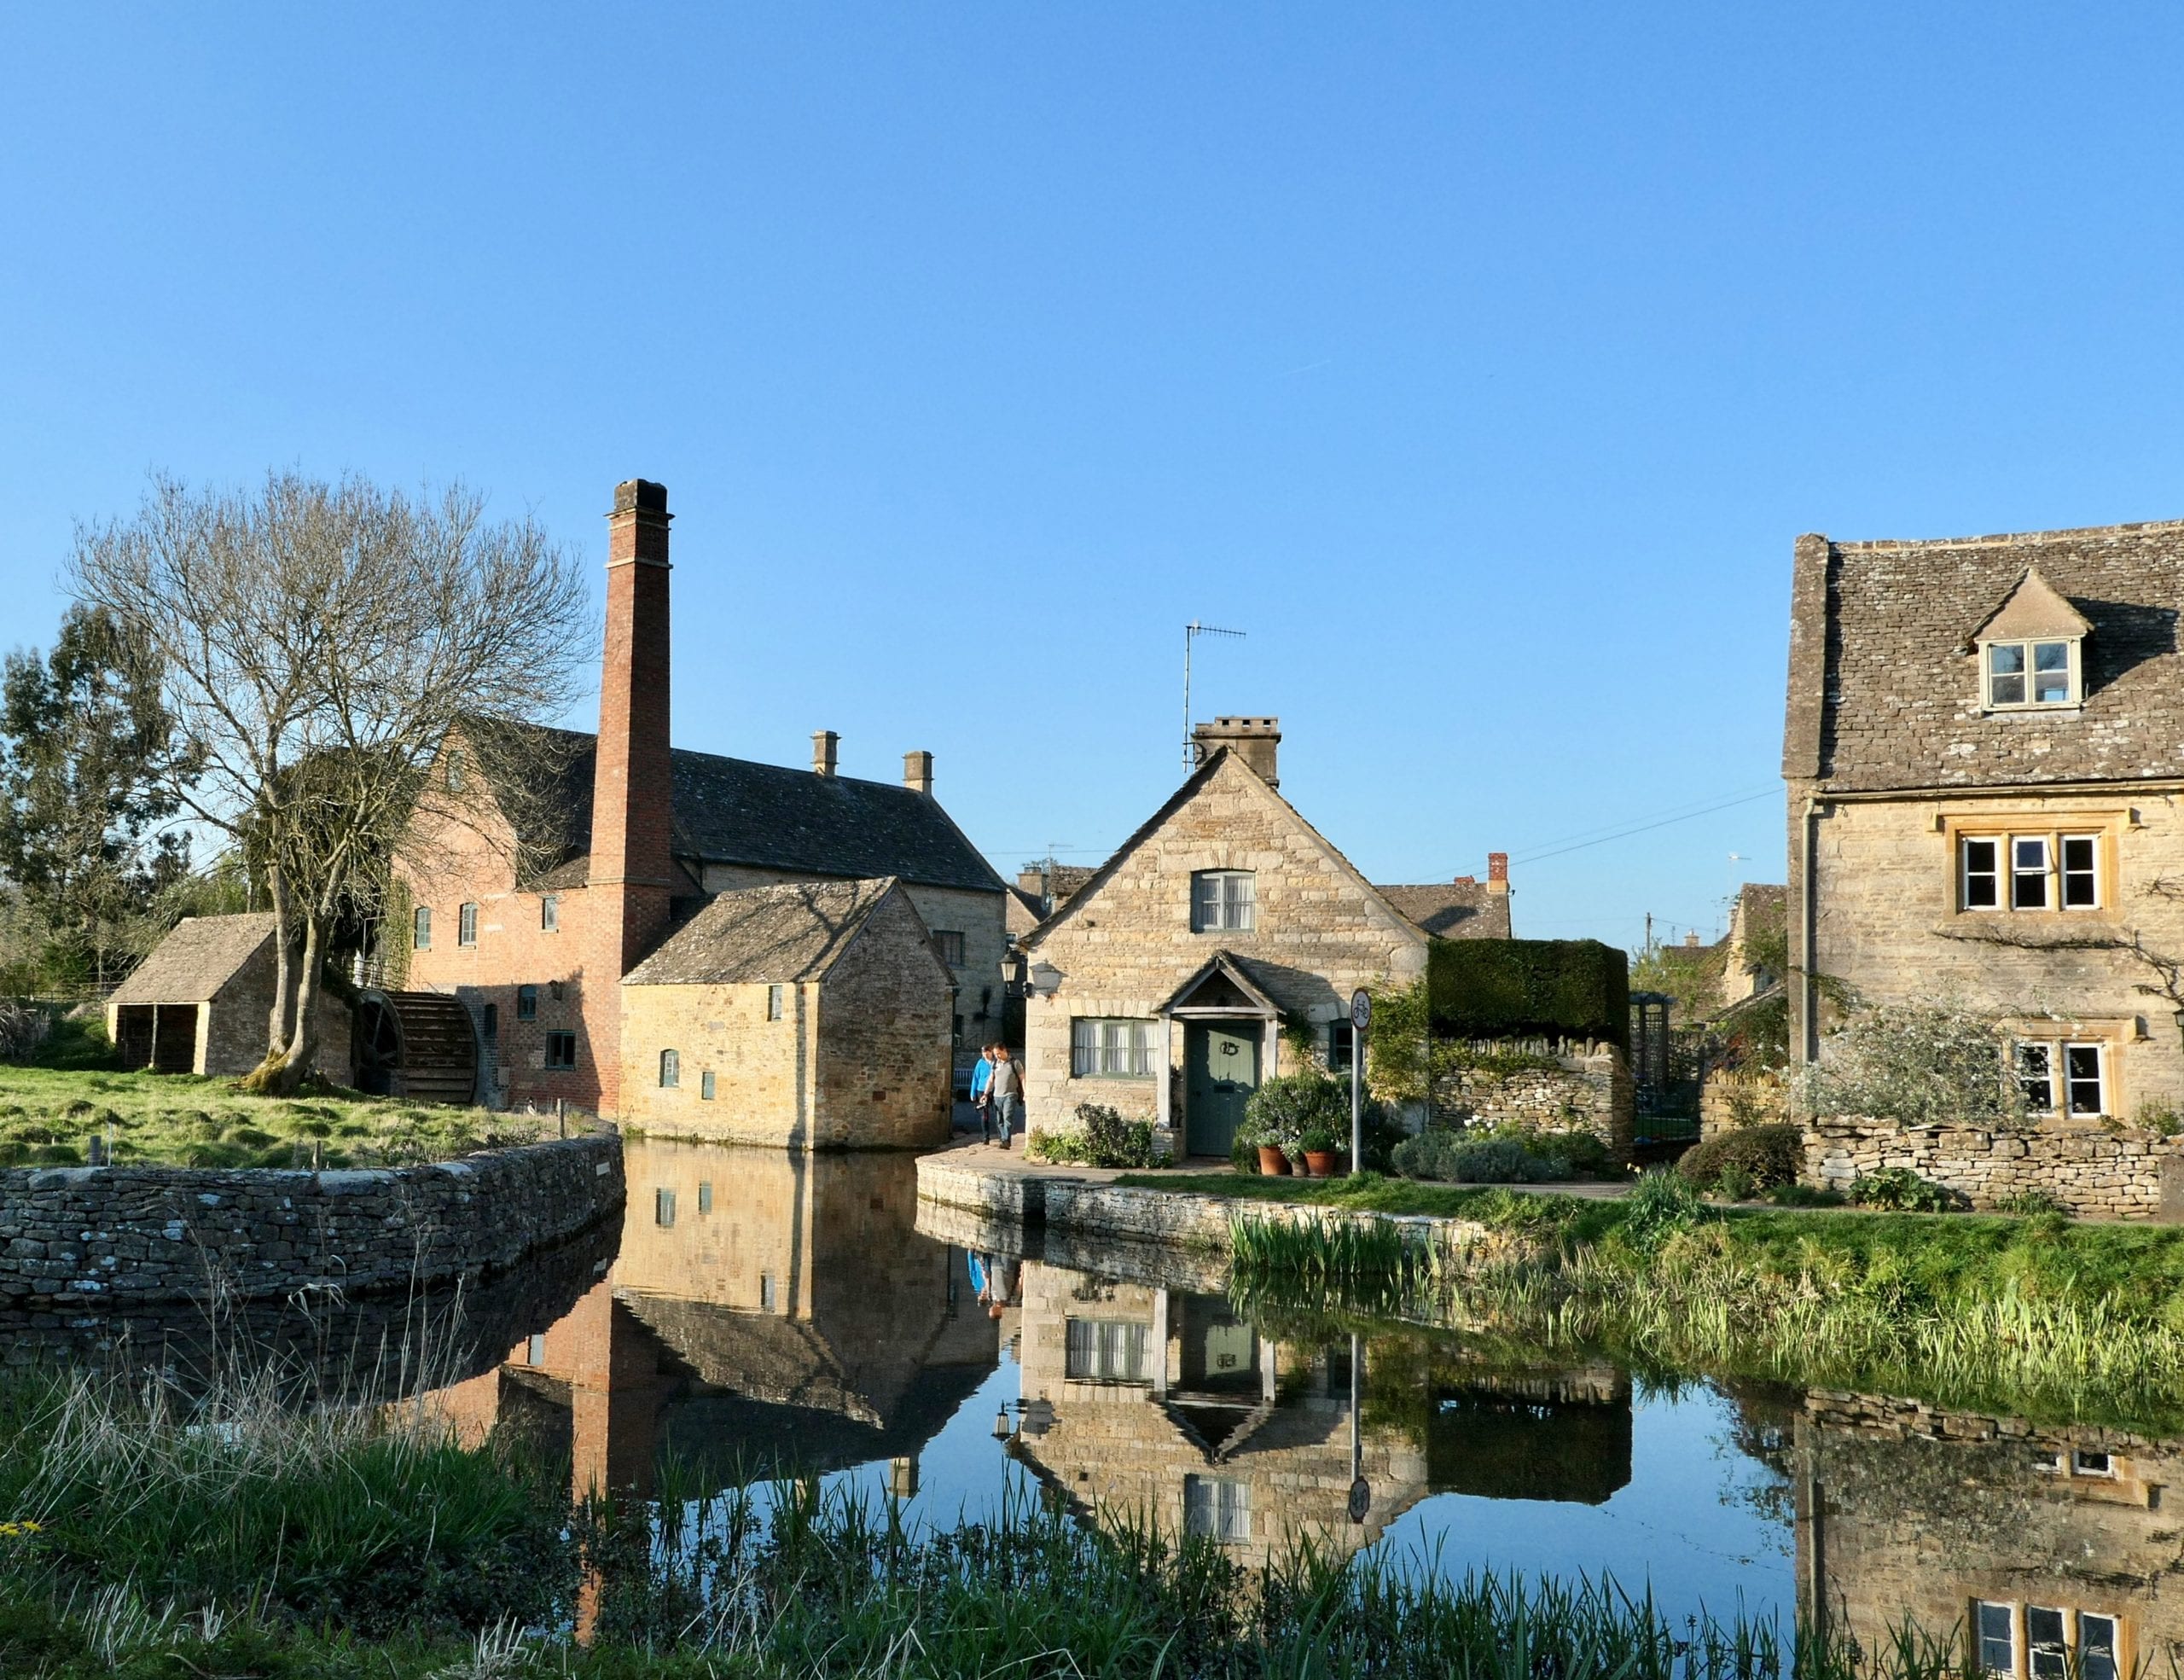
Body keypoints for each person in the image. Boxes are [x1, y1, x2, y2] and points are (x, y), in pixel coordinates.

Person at [987, 1044, 1025, 1150]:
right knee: (999, 1120)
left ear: (1004, 1050)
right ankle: (1003, 1139)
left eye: (998, 1053)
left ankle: (1006, 1140)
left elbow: (1022, 1078)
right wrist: (986, 1093)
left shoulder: (1014, 1063)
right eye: (995, 1054)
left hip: (1010, 1094)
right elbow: (991, 1080)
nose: (997, 1056)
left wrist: (1025, 1092)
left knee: (1007, 1117)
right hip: (997, 1095)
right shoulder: (995, 1064)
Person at [969, 1043, 998, 1142]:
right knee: (984, 1114)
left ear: (991, 1052)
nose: (985, 1054)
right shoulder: (980, 1063)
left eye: (987, 1052)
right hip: (981, 1090)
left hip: (994, 1090)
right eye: (983, 1052)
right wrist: (972, 1092)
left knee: (998, 1113)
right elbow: (975, 1078)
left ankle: (1002, 1135)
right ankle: (986, 1137)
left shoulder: (996, 1062)